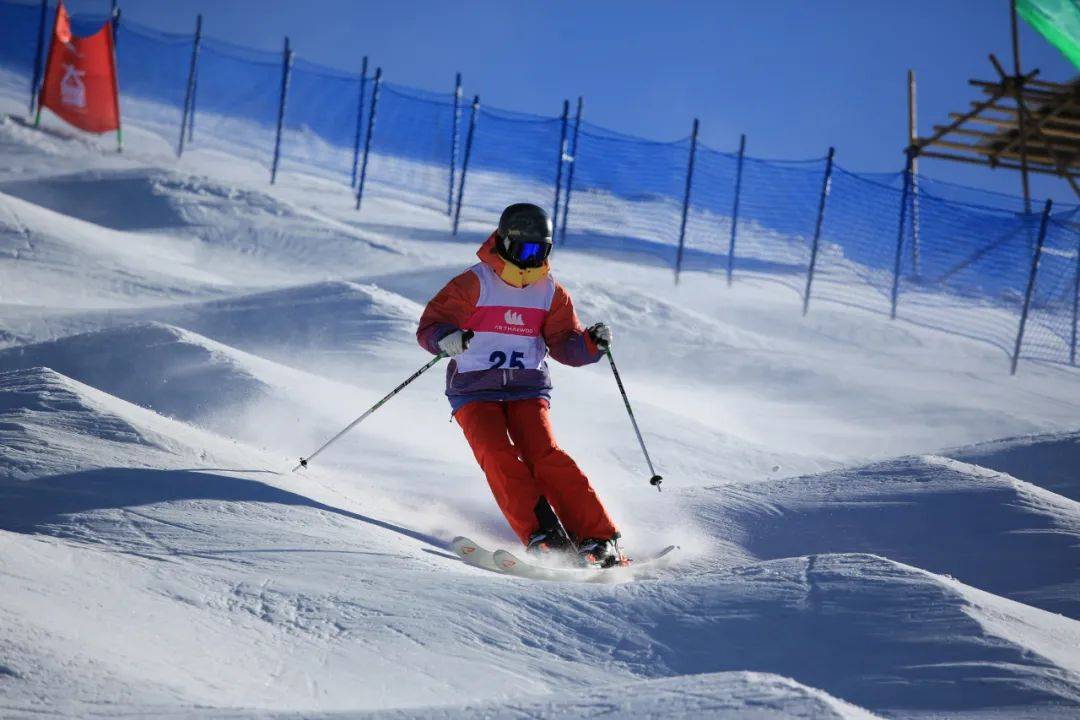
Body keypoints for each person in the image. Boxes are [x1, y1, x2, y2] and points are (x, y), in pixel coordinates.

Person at [417, 203, 624, 568]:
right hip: (474, 389)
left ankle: (600, 539)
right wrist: (445, 338)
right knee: (498, 455)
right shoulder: (474, 283)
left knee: (545, 454)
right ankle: (544, 535)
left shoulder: (550, 292)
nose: (531, 261)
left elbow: (564, 343)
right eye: (524, 251)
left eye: (540, 252)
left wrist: (590, 345)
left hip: (527, 388)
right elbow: (431, 325)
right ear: (505, 243)